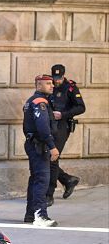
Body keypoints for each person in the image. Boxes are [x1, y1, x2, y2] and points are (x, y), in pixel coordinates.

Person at [23, 75, 59, 227]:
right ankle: (40, 216)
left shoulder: (33, 101)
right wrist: (52, 146)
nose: (52, 86)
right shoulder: (40, 102)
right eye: (48, 83)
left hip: (34, 144)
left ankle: (30, 214)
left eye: (52, 83)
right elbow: (43, 127)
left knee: (35, 179)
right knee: (42, 181)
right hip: (40, 146)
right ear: (39, 85)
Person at [46, 64, 84, 205]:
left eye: (59, 78)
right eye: (55, 77)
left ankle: (49, 194)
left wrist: (63, 114)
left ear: (63, 75)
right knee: (47, 156)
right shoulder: (49, 84)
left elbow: (81, 107)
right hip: (48, 124)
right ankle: (67, 180)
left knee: (52, 157)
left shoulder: (71, 87)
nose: (57, 81)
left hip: (62, 126)